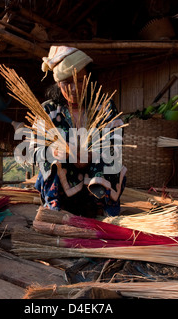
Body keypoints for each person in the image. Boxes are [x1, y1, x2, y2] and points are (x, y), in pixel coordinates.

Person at [31, 46, 127, 217]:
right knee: (50, 161)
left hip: (95, 180)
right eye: (67, 82)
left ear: (90, 79)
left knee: (110, 160)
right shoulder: (49, 110)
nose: (74, 88)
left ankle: (102, 210)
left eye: (80, 80)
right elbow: (34, 151)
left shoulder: (104, 107)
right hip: (64, 181)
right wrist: (57, 151)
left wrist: (91, 155)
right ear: (58, 83)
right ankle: (55, 211)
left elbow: (115, 142)